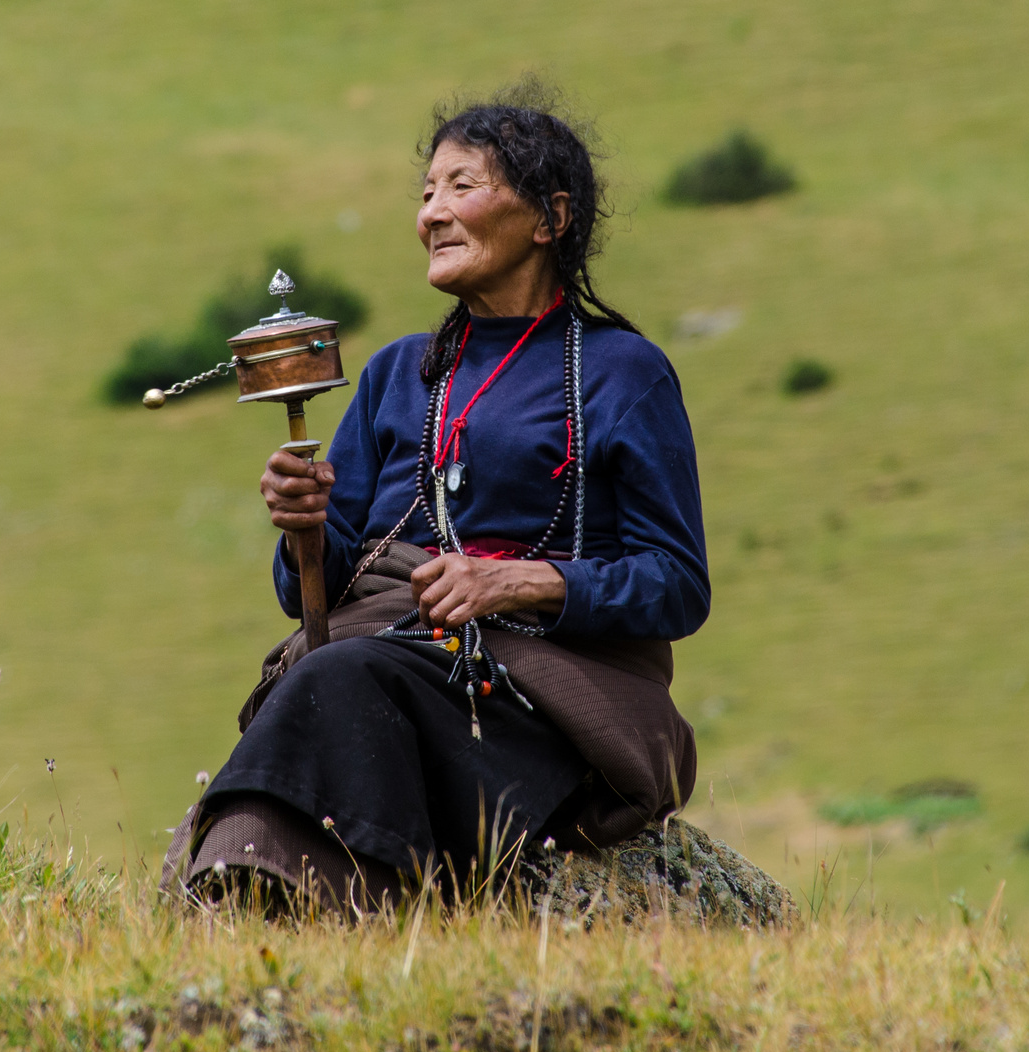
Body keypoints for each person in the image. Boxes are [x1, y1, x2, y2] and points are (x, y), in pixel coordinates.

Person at [161, 87, 709, 912]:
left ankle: (296, 899)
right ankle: (260, 903)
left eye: (463, 186)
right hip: (380, 653)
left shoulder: (621, 371)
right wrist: (302, 529)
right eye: (426, 194)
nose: (432, 214)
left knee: (346, 677)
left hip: (533, 685)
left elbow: (677, 584)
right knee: (336, 671)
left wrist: (522, 583)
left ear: (549, 218)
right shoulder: (396, 373)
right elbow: (311, 590)